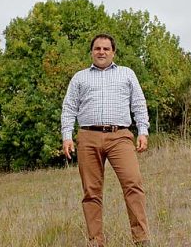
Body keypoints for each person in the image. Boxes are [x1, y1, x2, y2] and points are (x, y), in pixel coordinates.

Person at [61, 33, 151, 247]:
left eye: (106, 48)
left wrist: (143, 131)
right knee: (91, 191)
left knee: (133, 183)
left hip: (120, 136)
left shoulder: (126, 74)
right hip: (88, 137)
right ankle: (96, 241)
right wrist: (67, 136)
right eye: (97, 48)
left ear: (113, 52)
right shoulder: (80, 78)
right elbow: (69, 108)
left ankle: (141, 239)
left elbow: (139, 104)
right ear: (91, 52)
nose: (101, 52)